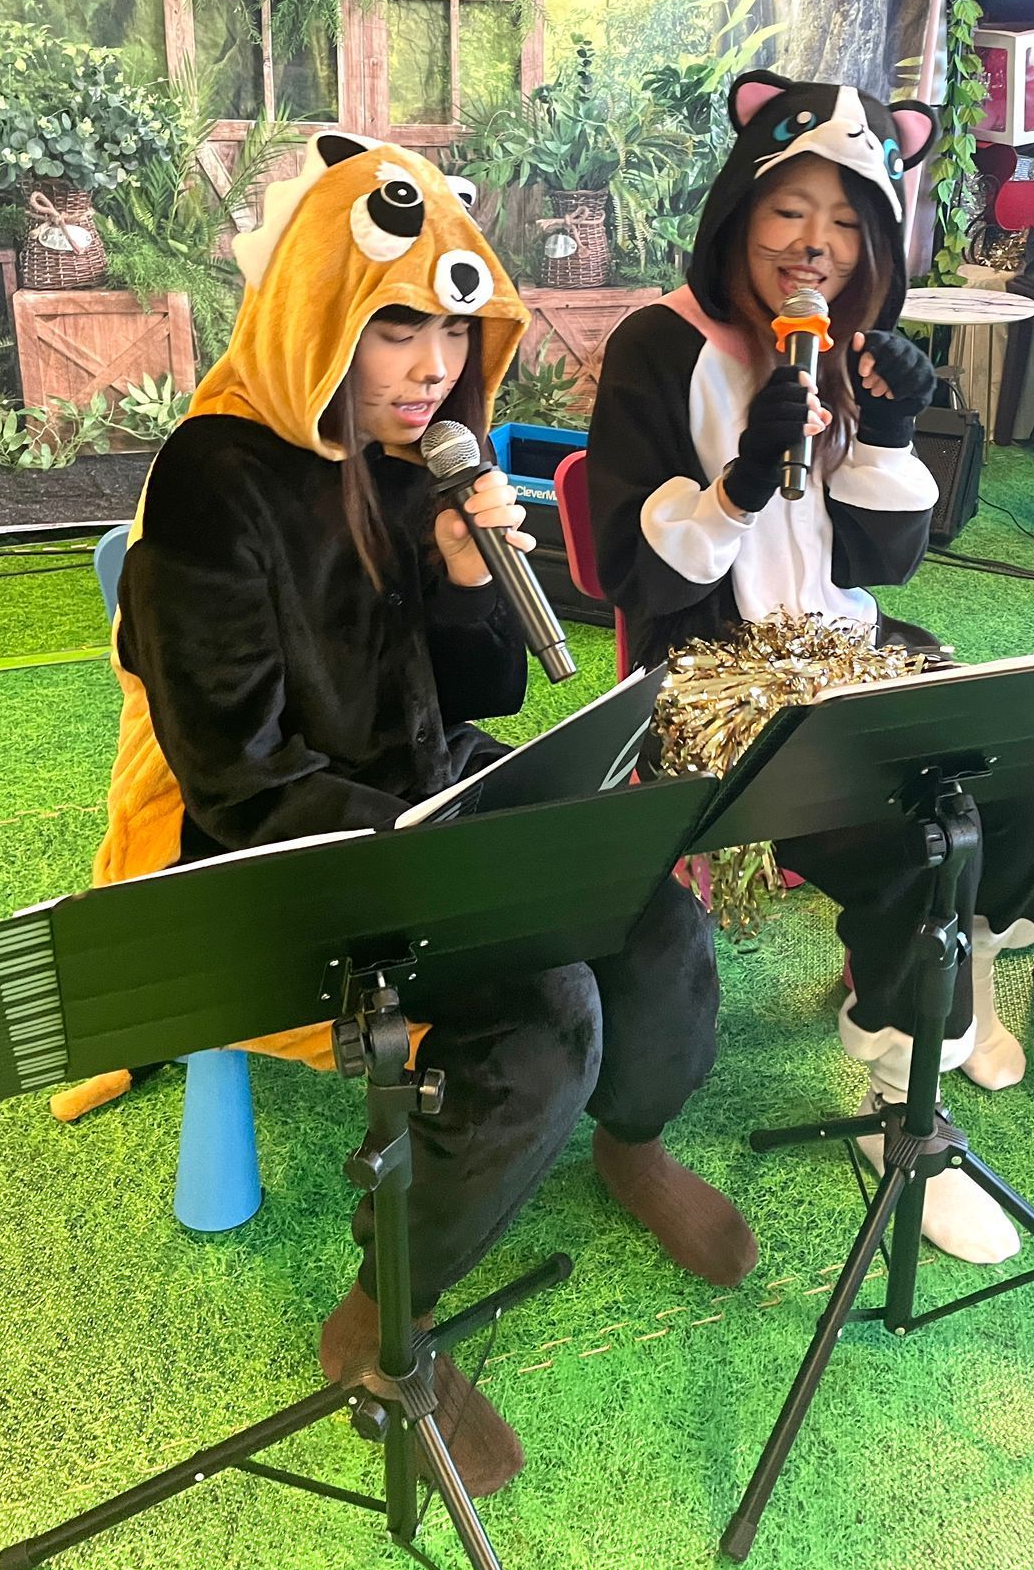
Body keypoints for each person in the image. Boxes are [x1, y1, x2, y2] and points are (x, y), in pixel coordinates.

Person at [94, 131, 756, 1497]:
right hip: (280, 845)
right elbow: (237, 778)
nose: (434, 367)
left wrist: (461, 578)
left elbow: (474, 691)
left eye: (455, 330)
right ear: (318, 310)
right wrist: (453, 847)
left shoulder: (416, 459)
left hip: (425, 788)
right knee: (544, 1018)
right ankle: (381, 1306)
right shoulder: (213, 484)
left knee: (652, 906)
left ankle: (631, 1142)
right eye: (398, 325)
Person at [587, 72, 1034, 1267]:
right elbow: (632, 573)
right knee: (922, 833)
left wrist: (894, 432)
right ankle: (904, 1103)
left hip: (848, 650)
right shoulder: (659, 347)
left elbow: (882, 564)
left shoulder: (849, 352)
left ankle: (941, 998)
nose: (816, 244)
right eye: (788, 210)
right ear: (737, 215)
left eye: (849, 220)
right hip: (719, 679)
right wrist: (737, 483)